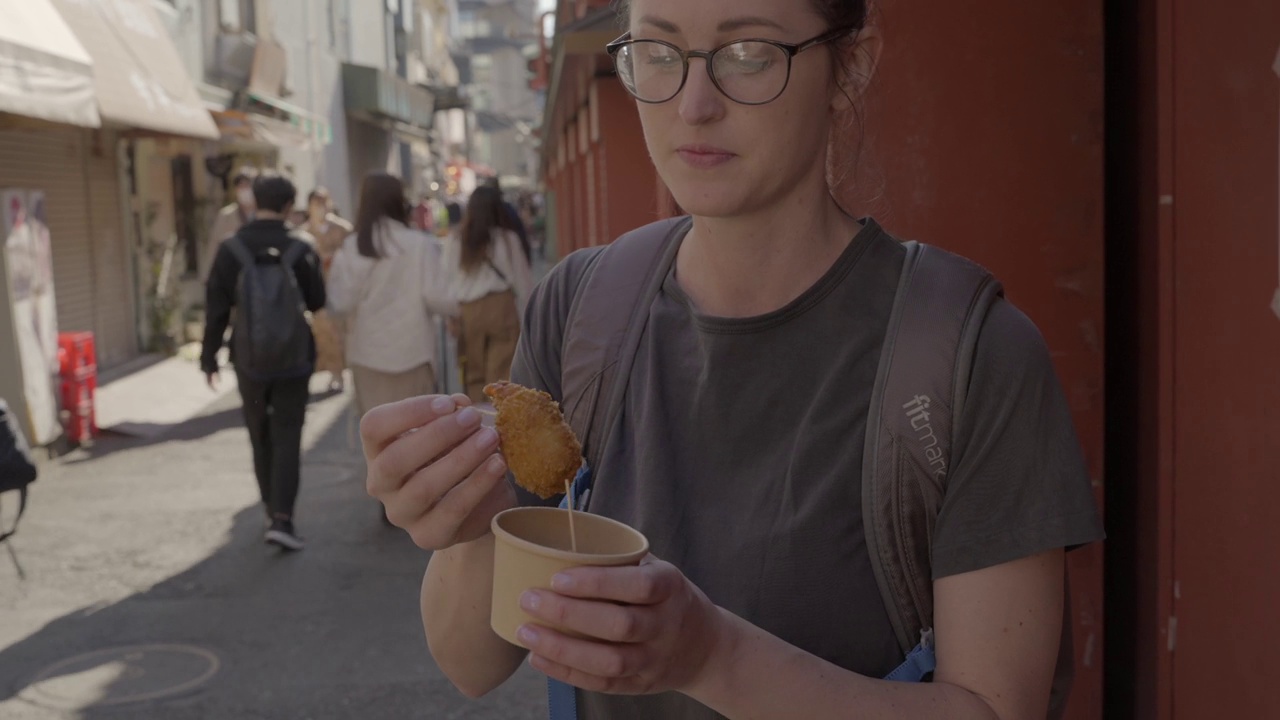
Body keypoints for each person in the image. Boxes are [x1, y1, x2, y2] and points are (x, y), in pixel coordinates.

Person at [361, 1, 1105, 718]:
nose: (693, 104)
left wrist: (711, 658)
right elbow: (471, 662)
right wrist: (467, 519)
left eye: (748, 54)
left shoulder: (970, 355)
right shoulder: (581, 311)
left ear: (849, 66)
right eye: (658, 53)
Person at [202, 173, 325, 552]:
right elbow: (317, 301)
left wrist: (208, 359)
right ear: (290, 207)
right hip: (294, 359)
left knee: (260, 434)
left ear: (252, 201)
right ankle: (283, 519)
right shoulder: (303, 246)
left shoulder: (230, 249)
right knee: (289, 433)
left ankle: (270, 507)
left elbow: (216, 311)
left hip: (249, 360)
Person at [327, 173, 457, 423]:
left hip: (367, 355)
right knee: (417, 438)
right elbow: (440, 298)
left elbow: (340, 303)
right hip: (414, 353)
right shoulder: (420, 244)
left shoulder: (353, 246)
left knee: (379, 440)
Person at [441, 185, 532, 404]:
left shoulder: (456, 240)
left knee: (473, 373)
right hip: (502, 308)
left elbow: (447, 281)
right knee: (502, 375)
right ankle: (499, 426)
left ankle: (476, 423)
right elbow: (524, 283)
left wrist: (450, 317)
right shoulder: (508, 239)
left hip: (469, 311)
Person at [301, 188, 354, 392]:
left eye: (323, 202)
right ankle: (333, 370)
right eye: (316, 203)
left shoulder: (342, 228)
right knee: (324, 333)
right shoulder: (304, 232)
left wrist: (335, 257)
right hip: (317, 290)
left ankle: (341, 370)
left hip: (341, 287)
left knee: (341, 332)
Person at [205, 167, 258, 280]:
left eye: (248, 186)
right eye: (241, 186)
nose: (245, 190)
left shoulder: (263, 215)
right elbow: (215, 247)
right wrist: (209, 277)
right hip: (232, 276)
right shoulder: (226, 216)